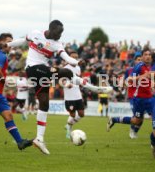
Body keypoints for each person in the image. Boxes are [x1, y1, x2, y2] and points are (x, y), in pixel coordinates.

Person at [7, 20, 113, 155]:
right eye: (58, 32)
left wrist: (76, 61)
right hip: (33, 68)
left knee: (44, 104)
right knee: (67, 72)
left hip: (42, 74)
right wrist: (7, 45)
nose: (60, 35)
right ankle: (95, 89)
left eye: (62, 32)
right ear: (51, 29)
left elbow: (66, 57)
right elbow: (22, 41)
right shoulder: (36, 33)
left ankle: (39, 139)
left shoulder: (57, 44)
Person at [107, 49, 154, 139]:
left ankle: (153, 137)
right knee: (137, 119)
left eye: (149, 55)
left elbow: (148, 81)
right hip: (134, 96)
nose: (139, 61)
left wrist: (153, 86)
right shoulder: (131, 69)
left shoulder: (149, 68)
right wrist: (123, 86)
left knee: (148, 117)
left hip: (147, 96)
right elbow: (127, 80)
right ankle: (130, 129)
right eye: (138, 59)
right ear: (135, 60)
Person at [62, 51, 85, 139]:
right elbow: (62, 80)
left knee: (81, 114)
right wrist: (67, 84)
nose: (74, 59)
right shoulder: (65, 69)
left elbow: (79, 79)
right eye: (73, 57)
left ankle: (68, 125)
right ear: (69, 58)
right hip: (69, 95)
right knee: (72, 115)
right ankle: (69, 128)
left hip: (78, 94)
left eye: (76, 57)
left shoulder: (78, 68)